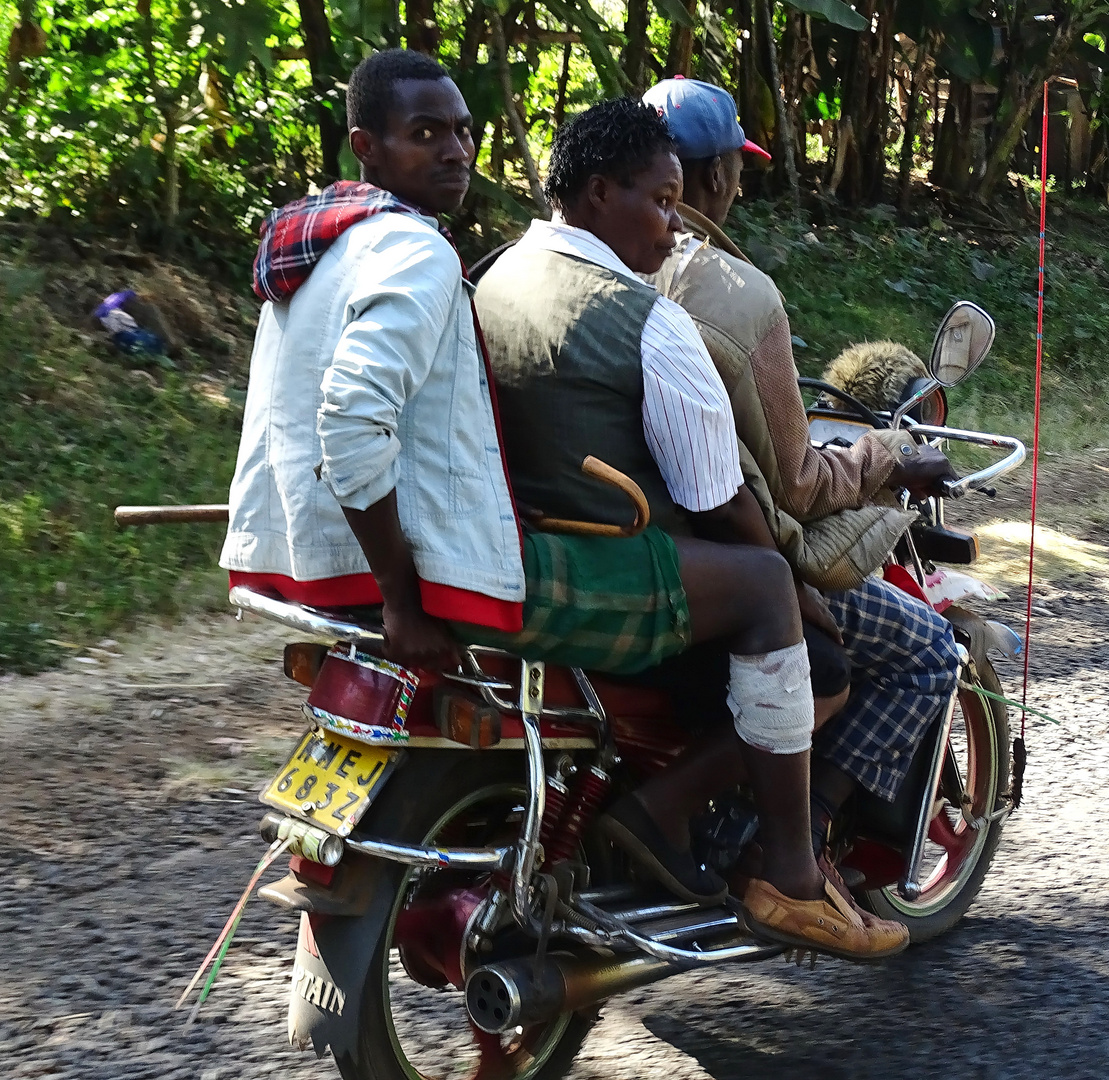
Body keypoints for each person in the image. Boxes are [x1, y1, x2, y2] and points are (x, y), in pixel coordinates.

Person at [218, 51, 898, 956]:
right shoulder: (425, 254)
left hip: (307, 559)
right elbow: (352, 421)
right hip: (464, 571)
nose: (456, 150)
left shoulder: (338, 246)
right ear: (365, 146)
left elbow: (326, 418)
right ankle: (788, 873)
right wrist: (399, 595)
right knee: (769, 587)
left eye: (462, 130)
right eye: (427, 134)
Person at [474, 97, 907, 957]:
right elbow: (721, 501)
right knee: (801, 632)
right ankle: (787, 873)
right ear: (598, 194)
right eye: (662, 203)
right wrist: (796, 600)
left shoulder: (498, 273)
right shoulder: (651, 323)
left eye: (681, 204)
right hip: (615, 568)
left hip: (541, 537)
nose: (676, 228)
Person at [639, 76, 962, 867]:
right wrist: (887, 456)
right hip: (723, 555)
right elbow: (796, 484)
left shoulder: (560, 264)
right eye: (737, 170)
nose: (738, 186)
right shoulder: (735, 294)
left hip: (618, 532)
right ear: (712, 177)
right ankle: (795, 845)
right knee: (927, 650)